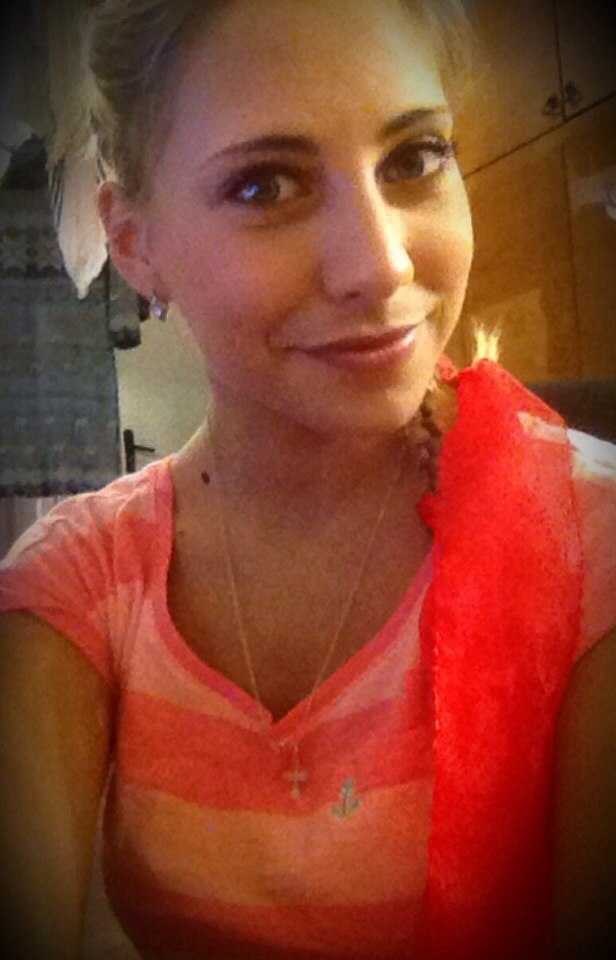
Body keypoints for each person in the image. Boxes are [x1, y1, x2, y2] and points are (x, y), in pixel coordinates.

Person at [0, 1, 614, 958]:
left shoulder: (592, 544)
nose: (382, 264)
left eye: (414, 159)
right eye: (266, 185)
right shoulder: (81, 580)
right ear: (134, 241)